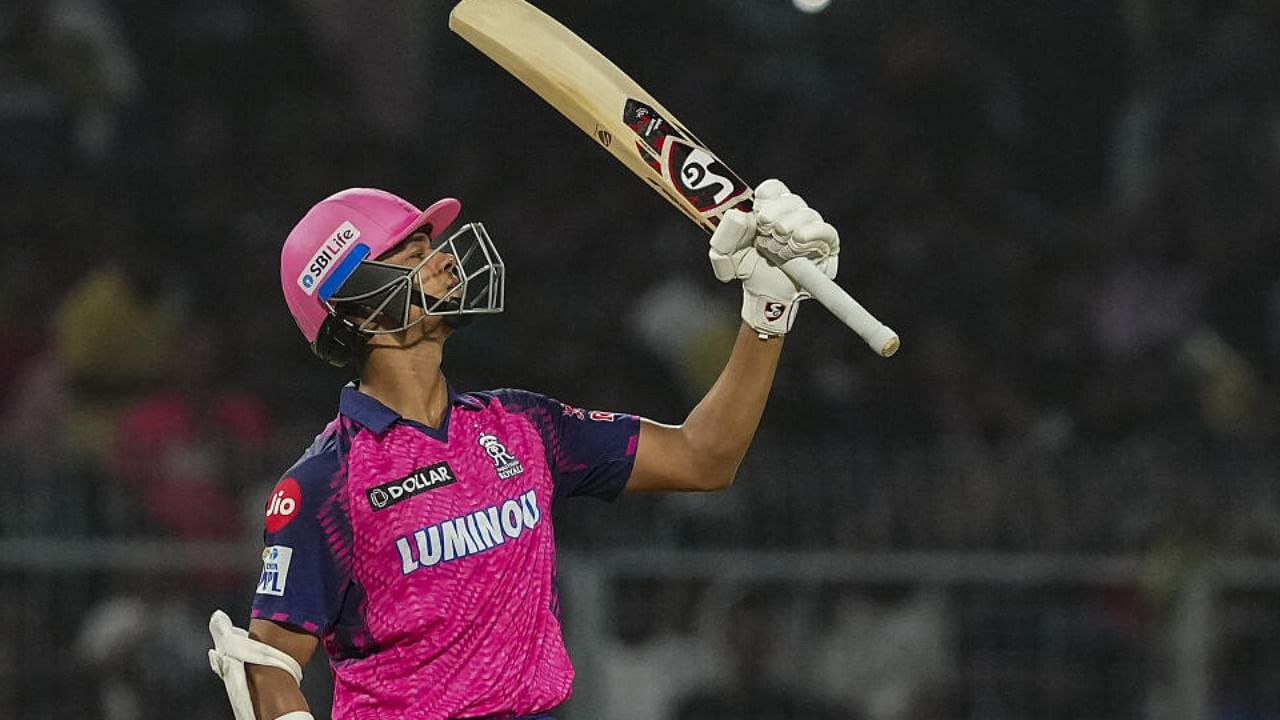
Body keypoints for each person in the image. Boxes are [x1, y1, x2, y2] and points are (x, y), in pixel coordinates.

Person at [207, 180, 840, 720]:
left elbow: (705, 458)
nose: (447, 263)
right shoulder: (324, 483)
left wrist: (768, 308)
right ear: (357, 304)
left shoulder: (521, 425)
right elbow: (268, 664)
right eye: (414, 253)